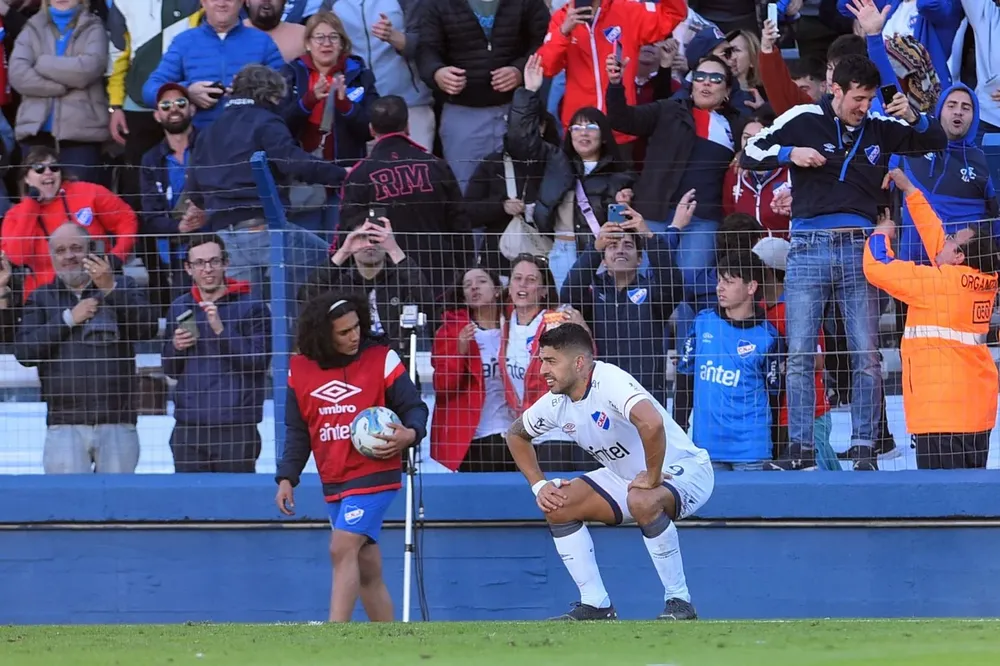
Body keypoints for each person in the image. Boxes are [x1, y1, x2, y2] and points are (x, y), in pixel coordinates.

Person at [741, 54, 947, 470]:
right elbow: (749, 151)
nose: (864, 106)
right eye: (858, 98)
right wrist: (790, 153)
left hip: (859, 248)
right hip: (808, 245)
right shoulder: (802, 116)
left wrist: (915, 114)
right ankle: (800, 451)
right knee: (799, 352)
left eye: (869, 98)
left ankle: (865, 448)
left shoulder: (880, 125)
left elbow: (936, 140)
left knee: (867, 354)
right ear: (835, 89)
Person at [505, 323, 713, 620]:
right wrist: (539, 485)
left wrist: (653, 476)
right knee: (558, 503)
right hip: (627, 477)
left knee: (643, 499)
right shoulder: (555, 403)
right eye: (541, 361)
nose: (542, 370)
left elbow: (650, 422)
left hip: (684, 470)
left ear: (579, 363)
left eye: (551, 361)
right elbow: (515, 434)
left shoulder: (609, 380)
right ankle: (596, 604)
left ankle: (679, 601)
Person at [275, 293, 429, 622]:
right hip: (333, 479)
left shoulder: (382, 358)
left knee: (341, 547)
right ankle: (388, 643)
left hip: (376, 476)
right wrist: (287, 477)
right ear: (322, 335)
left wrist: (410, 434)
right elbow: (298, 430)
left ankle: (334, 639)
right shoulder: (299, 369)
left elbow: (414, 407)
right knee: (366, 567)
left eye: (357, 327)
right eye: (344, 332)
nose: (355, 336)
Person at [864, 169, 998, 469]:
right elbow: (936, 238)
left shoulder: (936, 283)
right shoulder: (985, 278)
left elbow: (878, 266)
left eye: (952, 239)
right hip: (977, 411)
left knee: (944, 504)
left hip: (940, 415)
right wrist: (911, 189)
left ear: (959, 257)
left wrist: (881, 233)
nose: (945, 239)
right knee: (972, 499)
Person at [184, 64, 344, 293]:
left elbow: (195, 193)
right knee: (330, 262)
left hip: (224, 235)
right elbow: (292, 161)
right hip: (265, 226)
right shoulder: (266, 120)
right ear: (270, 95)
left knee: (246, 310)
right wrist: (342, 174)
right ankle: (298, 325)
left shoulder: (209, 132)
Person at [13, 223, 160, 474]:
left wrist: (109, 288)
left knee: (118, 505)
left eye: (75, 248)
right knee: (67, 507)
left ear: (91, 250)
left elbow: (147, 328)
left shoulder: (121, 285)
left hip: (118, 420)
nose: (69, 256)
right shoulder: (41, 297)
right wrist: (69, 318)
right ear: (52, 257)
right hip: (64, 422)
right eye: (60, 250)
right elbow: (25, 353)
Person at [508, 54, 633, 291]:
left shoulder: (622, 175)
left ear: (604, 135)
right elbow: (520, 142)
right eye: (576, 127)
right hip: (563, 250)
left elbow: (626, 226)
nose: (583, 133)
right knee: (567, 316)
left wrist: (625, 204)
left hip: (605, 254)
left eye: (591, 127)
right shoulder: (555, 161)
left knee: (605, 320)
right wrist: (529, 93)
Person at [337, 95, 471, 300]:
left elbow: (347, 231)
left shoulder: (359, 173)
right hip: (440, 279)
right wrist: (465, 271)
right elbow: (461, 225)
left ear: (372, 129)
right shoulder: (436, 165)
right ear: (408, 125)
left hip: (388, 283)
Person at [162, 235, 272, 473]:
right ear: (188, 269)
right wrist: (176, 347)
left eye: (214, 261)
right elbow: (170, 369)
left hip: (236, 426)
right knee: (190, 508)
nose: (208, 269)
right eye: (200, 263)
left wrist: (221, 331)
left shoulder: (252, 306)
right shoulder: (180, 306)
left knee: (235, 507)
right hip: (189, 427)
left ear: (226, 263)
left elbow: (258, 361)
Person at [559, 208, 684, 406]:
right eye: (612, 246)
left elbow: (674, 285)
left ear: (640, 259)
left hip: (645, 392)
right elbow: (568, 293)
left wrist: (648, 235)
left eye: (628, 245)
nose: (620, 250)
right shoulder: (593, 291)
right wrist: (595, 247)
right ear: (603, 258)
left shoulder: (654, 292)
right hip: (600, 391)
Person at [675, 252, 782, 469]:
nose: (719, 288)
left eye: (729, 282)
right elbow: (685, 377)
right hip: (706, 449)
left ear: (751, 287)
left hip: (752, 450)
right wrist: (679, 426)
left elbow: (775, 396)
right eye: (719, 281)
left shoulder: (768, 336)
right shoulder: (702, 323)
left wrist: (778, 446)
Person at [536, 0, 687, 149]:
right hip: (580, 130)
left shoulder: (627, 11)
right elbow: (547, 67)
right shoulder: (562, 18)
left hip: (621, 129)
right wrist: (563, 32)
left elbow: (674, 13)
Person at [1, 146, 138, 302]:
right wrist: (30, 207)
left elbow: (126, 218)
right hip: (45, 296)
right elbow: (17, 256)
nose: (48, 172)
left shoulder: (88, 192)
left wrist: (118, 255)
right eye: (38, 168)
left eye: (54, 167)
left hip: (96, 285)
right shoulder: (16, 214)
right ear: (26, 178)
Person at [894, 84, 1000, 266]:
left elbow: (996, 218)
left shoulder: (985, 162)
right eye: (951, 105)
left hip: (960, 273)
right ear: (939, 111)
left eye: (966, 108)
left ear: (974, 117)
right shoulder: (907, 151)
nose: (958, 112)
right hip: (912, 273)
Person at [8, 0, 110, 183]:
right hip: (35, 133)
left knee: (78, 204)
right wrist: (59, 87)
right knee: (38, 204)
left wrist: (42, 62)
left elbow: (87, 69)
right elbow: (18, 74)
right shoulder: (32, 26)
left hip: (81, 134)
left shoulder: (94, 26)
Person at [142, 0, 285, 129]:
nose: (221, 4)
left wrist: (252, 93)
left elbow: (286, 90)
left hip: (251, 139)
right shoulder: (184, 42)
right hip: (199, 142)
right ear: (203, 2)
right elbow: (150, 90)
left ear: (241, 2)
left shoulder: (262, 41)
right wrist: (187, 93)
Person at [431, 266, 516, 471]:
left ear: (498, 289)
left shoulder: (518, 325)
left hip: (518, 433)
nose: (474, 288)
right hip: (476, 436)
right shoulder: (451, 332)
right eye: (467, 285)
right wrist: (459, 351)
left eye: (481, 281)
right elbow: (443, 386)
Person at [324, 0, 436, 151]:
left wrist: (395, 37)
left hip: (410, 105)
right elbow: (317, 34)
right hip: (361, 109)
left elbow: (428, 46)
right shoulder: (332, 3)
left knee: (416, 170)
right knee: (370, 172)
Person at [139, 83, 203, 310]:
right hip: (176, 257)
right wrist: (179, 227)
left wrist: (203, 217)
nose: (173, 109)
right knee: (185, 319)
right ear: (157, 115)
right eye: (165, 105)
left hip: (214, 246)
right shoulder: (150, 160)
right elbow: (150, 217)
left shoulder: (209, 146)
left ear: (192, 109)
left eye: (180, 103)